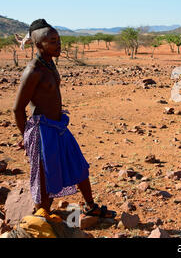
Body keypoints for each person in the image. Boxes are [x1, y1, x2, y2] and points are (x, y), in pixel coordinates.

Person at [13, 19, 116, 220]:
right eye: (52, 41)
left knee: (78, 165)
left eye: (58, 40)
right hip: (42, 130)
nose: (58, 44)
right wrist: (26, 137)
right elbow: (17, 109)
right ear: (38, 45)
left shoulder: (49, 62)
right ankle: (42, 216)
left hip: (58, 126)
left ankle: (90, 207)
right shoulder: (33, 71)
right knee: (45, 177)